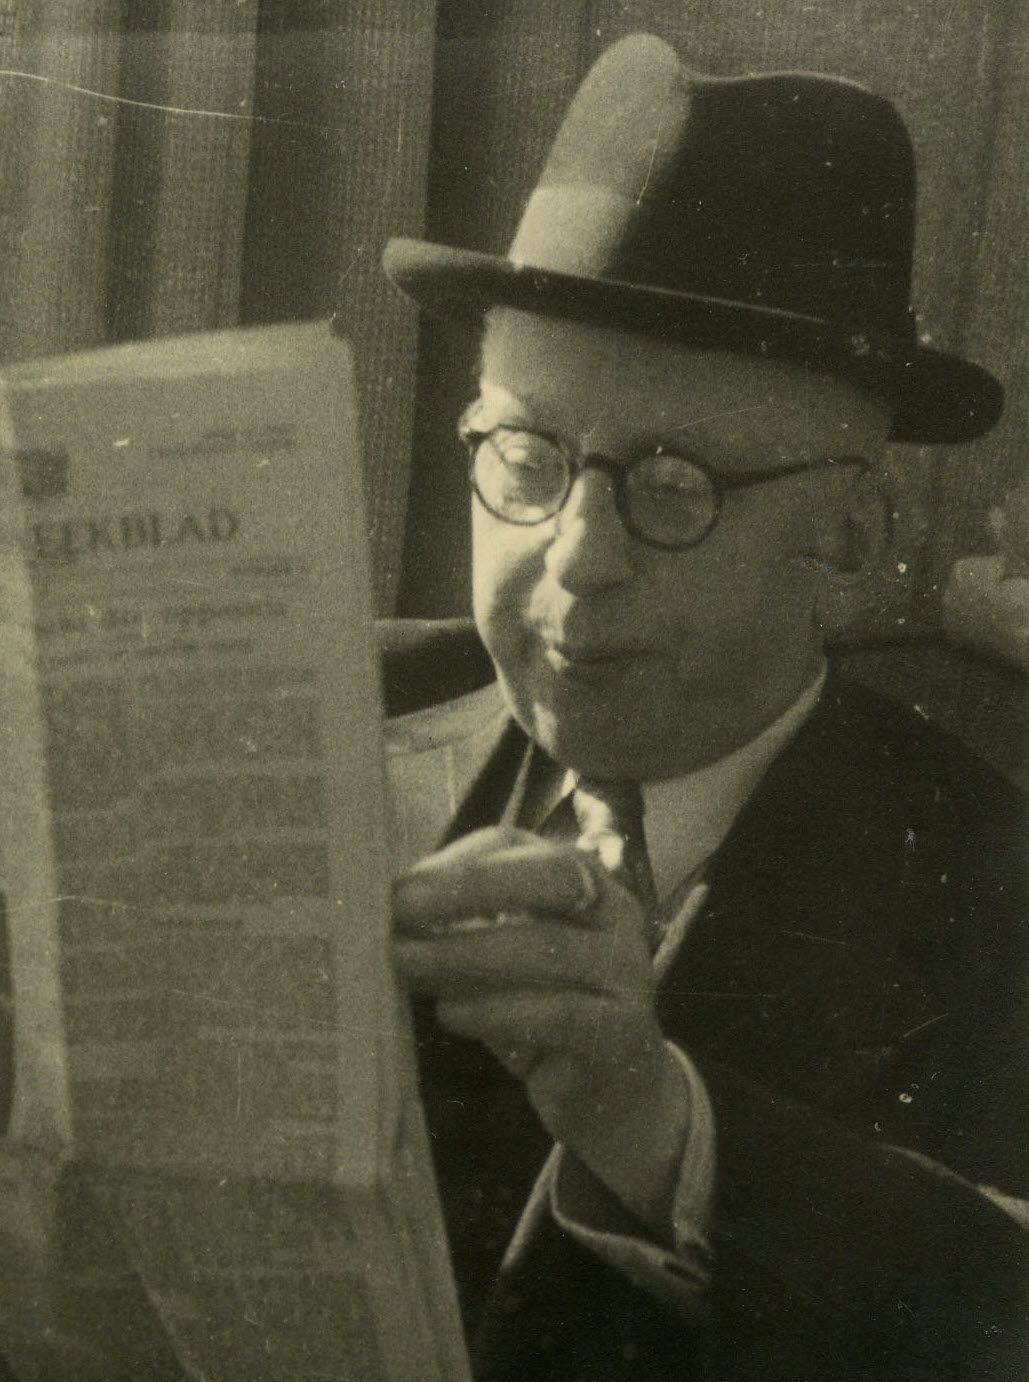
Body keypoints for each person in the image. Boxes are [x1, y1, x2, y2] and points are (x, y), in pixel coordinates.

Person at [379, 33, 1028, 1381]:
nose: (575, 556)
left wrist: (658, 1125)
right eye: (528, 457)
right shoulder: (322, 711)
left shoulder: (993, 887)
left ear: (849, 538)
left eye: (672, 486)